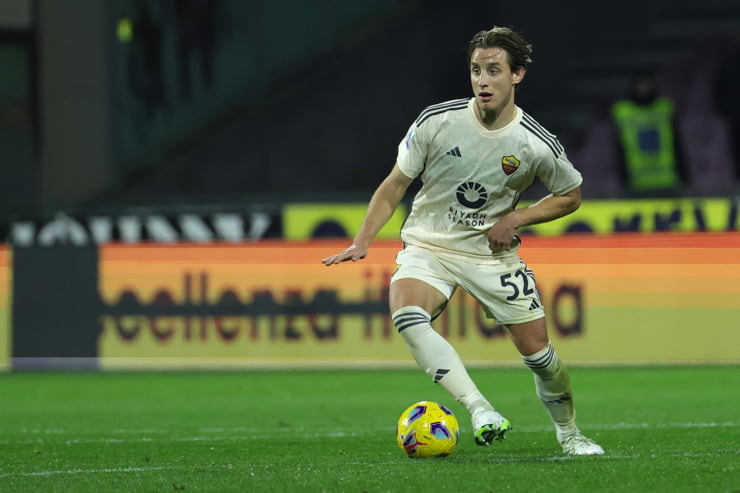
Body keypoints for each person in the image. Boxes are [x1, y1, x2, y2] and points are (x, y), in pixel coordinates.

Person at [321, 26, 603, 456]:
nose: (482, 80)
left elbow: (571, 195)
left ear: (517, 75)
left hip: (491, 258)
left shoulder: (534, 143)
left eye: (493, 70)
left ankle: (570, 434)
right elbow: (396, 183)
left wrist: (518, 217)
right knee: (406, 313)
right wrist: (363, 239)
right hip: (430, 245)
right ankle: (480, 409)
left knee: (541, 359)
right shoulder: (437, 120)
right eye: (475, 71)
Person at [610, 71, 686, 196]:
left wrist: (683, 175)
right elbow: (618, 148)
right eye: (641, 84)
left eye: (647, 84)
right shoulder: (622, 111)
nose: (644, 88)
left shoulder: (665, 108)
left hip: (667, 180)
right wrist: (623, 180)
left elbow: (677, 143)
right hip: (636, 183)